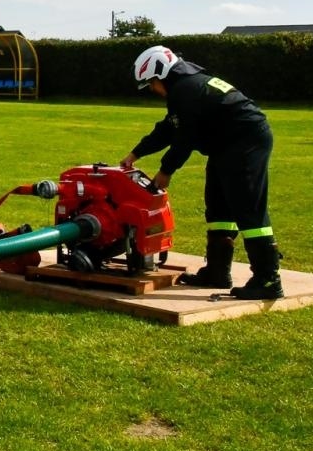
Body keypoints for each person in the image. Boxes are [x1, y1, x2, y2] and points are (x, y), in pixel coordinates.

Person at [121, 45, 284, 299]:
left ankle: (268, 279)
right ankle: (218, 272)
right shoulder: (186, 88)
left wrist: (166, 171)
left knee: (248, 208)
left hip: (246, 142)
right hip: (226, 146)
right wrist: (136, 153)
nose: (152, 90)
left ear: (160, 74)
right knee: (218, 207)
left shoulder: (187, 90)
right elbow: (169, 127)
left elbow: (185, 137)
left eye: (151, 83)